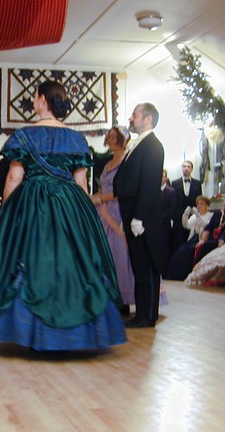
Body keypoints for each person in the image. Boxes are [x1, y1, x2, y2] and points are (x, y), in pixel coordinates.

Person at [0, 80, 126, 351]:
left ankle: (23, 331)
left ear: (41, 100)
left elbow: (14, 178)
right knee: (73, 261)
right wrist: (85, 220)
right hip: (69, 202)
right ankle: (78, 332)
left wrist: (8, 213)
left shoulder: (24, 135)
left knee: (25, 259)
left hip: (31, 200)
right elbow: (82, 184)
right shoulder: (76, 138)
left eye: (36, 97)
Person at [113, 102, 164, 328]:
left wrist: (139, 217)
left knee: (146, 264)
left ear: (147, 119)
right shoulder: (137, 143)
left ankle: (147, 315)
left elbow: (150, 184)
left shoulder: (153, 145)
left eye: (135, 115)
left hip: (142, 217)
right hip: (131, 214)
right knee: (138, 265)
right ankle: (142, 312)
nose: (131, 119)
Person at [90, 126, 135, 315]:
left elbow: (123, 190)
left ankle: (122, 298)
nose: (110, 140)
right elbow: (104, 189)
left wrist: (100, 199)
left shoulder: (128, 161)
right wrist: (90, 198)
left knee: (120, 253)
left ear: (122, 140)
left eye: (114, 137)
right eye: (109, 137)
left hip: (118, 212)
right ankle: (106, 296)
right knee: (102, 252)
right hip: (103, 212)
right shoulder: (109, 162)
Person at [164, 195, 214, 280]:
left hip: (202, 238)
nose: (199, 206)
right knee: (180, 251)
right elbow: (186, 225)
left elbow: (206, 225)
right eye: (198, 204)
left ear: (207, 206)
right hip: (193, 238)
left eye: (202, 204)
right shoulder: (194, 216)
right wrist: (185, 215)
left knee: (188, 252)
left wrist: (198, 216)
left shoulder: (210, 215)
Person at [192, 194, 225, 265]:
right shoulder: (218, 213)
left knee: (206, 246)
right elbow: (209, 227)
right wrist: (203, 240)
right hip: (211, 238)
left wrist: (221, 242)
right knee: (199, 245)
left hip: (222, 240)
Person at [170, 160, 203, 255]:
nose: (186, 168)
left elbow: (199, 199)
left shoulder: (197, 183)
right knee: (178, 240)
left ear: (191, 169)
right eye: (184, 166)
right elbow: (173, 200)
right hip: (178, 217)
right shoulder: (174, 183)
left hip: (193, 216)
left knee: (191, 239)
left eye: (188, 166)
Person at [160, 169, 177, 276]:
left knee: (164, 247)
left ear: (166, 178)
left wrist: (161, 218)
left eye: (162, 176)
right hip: (153, 224)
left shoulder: (171, 191)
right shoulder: (152, 190)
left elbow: (172, 208)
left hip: (164, 223)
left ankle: (164, 271)